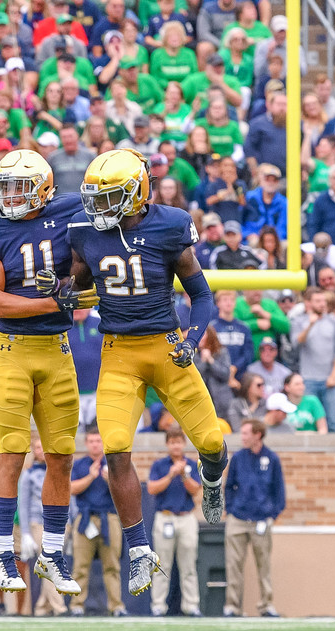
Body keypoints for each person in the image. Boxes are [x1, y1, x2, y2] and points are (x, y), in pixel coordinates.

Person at [59, 149, 228, 597]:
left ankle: (212, 478)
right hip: (118, 351)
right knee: (115, 448)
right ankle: (139, 550)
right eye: (95, 197)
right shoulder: (85, 230)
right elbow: (80, 281)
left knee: (212, 443)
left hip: (167, 346)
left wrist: (192, 340)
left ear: (136, 193)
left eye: (109, 196)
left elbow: (201, 295)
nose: (98, 206)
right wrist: (64, 290)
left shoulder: (170, 225)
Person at [0, 150, 95, 599]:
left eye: (19, 188)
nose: (10, 197)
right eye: (4, 188)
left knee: (61, 456)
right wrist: (55, 302)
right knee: (13, 454)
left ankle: (52, 554)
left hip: (56, 349)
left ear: (44, 190)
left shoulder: (71, 210)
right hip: (11, 349)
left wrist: (78, 285)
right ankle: (3, 553)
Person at [223, 419, 285, 618]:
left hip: (261, 520)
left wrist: (272, 514)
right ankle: (232, 606)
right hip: (238, 519)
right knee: (233, 565)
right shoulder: (237, 458)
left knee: (264, 565)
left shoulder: (272, 459)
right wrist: (230, 509)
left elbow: (279, 491)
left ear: (258, 435)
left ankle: (266, 605)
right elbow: (229, 486)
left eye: (246, 433)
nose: (242, 437)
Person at [146, 428, 202, 618]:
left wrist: (184, 475)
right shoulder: (159, 465)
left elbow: (195, 490)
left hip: (186, 517)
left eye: (179, 442)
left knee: (188, 566)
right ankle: (158, 606)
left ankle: (191, 605)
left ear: (184, 444)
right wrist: (171, 475)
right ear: (167, 444)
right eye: (172, 442)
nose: (176, 446)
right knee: (162, 565)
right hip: (165, 517)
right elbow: (152, 489)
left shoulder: (192, 464)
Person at [69, 428, 124, 616]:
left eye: (98, 441)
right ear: (86, 443)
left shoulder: (113, 463)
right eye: (91, 441)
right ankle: (77, 605)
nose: (95, 444)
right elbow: (71, 489)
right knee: (80, 566)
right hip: (85, 518)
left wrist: (110, 481)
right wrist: (91, 476)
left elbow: (123, 492)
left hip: (109, 517)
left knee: (112, 566)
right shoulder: (80, 464)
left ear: (103, 443)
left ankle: (116, 606)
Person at [17, 434, 67, 616]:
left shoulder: (58, 471)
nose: (41, 451)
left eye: (43, 447)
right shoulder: (29, 474)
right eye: (37, 447)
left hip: (57, 523)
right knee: (50, 562)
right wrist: (25, 532)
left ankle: (41, 607)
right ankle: (59, 607)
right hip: (38, 523)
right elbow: (23, 505)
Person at [291, 286, 335, 431]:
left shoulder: (334, 322)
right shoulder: (298, 321)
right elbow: (296, 343)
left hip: (329, 380)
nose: (322, 304)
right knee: (309, 422)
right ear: (308, 303)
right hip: (308, 380)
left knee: (332, 422)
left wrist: (334, 375)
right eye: (318, 301)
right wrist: (310, 325)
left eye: (323, 301)